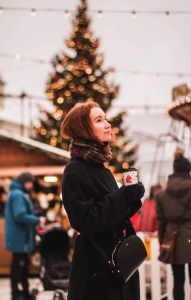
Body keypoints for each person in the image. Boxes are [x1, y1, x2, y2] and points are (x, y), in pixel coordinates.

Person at [61, 101, 145, 300]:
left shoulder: (101, 168)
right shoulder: (75, 170)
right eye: (99, 120)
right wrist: (124, 195)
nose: (107, 124)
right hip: (96, 268)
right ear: (84, 129)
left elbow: (110, 213)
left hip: (115, 262)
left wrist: (131, 198)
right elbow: (86, 220)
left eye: (105, 118)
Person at [5, 172, 46, 300]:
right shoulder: (18, 194)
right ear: (25, 182)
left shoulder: (16, 193)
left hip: (18, 237)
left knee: (20, 266)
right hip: (20, 237)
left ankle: (21, 292)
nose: (31, 185)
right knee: (20, 267)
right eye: (30, 182)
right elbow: (20, 215)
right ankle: (17, 294)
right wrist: (37, 220)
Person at [156, 149, 191, 300]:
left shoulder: (162, 194)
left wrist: (162, 242)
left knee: (177, 280)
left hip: (173, 239)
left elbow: (161, 222)